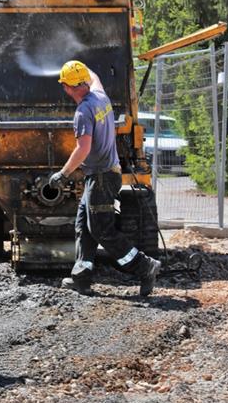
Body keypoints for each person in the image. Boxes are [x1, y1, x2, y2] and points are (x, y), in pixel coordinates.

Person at [49, 60, 161, 296]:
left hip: (100, 177)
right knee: (84, 226)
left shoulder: (82, 112)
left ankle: (145, 266)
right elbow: (94, 75)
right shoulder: (100, 96)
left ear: (69, 87)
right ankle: (81, 276)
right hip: (105, 174)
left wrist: (63, 174)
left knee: (102, 230)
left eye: (65, 85)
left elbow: (83, 149)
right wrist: (81, 67)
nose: (64, 89)